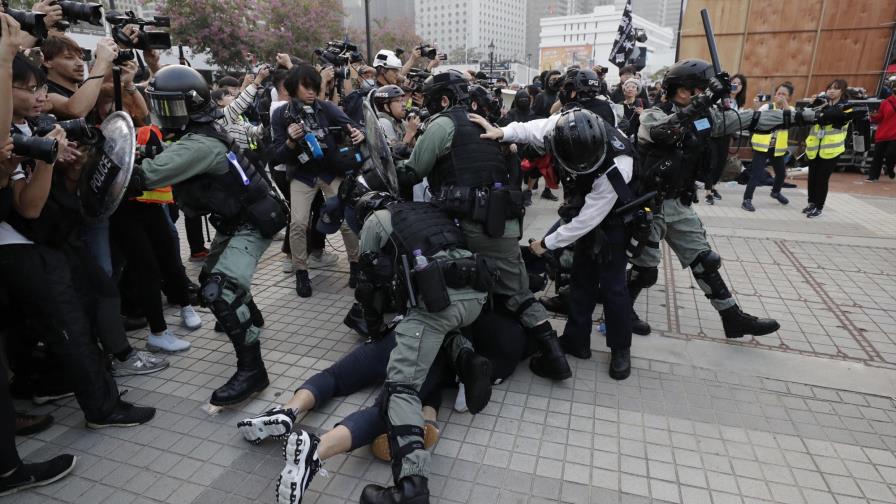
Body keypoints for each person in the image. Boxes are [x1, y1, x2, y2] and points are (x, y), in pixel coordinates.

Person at [126, 64, 287, 407]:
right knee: (210, 280)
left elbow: (144, 177)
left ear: (191, 105)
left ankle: (253, 371)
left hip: (254, 222)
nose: (165, 114)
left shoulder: (200, 143)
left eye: (172, 106)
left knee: (221, 292)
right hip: (241, 217)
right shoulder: (202, 129)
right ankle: (251, 319)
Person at [396, 69, 571, 382]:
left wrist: (397, 156)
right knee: (518, 291)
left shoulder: (442, 124)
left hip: (468, 224)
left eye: (431, 101)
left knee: (456, 286)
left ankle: (463, 355)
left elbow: (414, 170)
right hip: (503, 221)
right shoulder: (483, 122)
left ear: (444, 99)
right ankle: (554, 353)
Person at [630, 58, 821, 339]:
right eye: (701, 89)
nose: (707, 94)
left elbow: (752, 119)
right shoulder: (653, 116)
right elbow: (664, 132)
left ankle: (732, 317)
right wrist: (705, 99)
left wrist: (814, 116)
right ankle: (619, 309)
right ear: (683, 91)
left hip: (679, 204)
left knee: (705, 260)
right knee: (645, 273)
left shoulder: (705, 119)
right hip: (650, 205)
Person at [473, 107, 639, 380]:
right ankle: (576, 341)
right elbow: (530, 128)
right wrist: (502, 132)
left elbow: (588, 220)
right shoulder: (563, 128)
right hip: (585, 205)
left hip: (617, 216)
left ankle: (621, 348)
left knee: (613, 286)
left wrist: (546, 244)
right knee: (581, 278)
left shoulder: (618, 164)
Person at [270, 64, 364, 298]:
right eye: (306, 87)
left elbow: (354, 125)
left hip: (331, 172)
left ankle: (356, 265)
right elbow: (277, 156)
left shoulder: (327, 108)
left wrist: (358, 133)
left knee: (346, 220)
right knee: (299, 223)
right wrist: (291, 142)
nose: (311, 92)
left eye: (315, 87)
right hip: (302, 175)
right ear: (292, 88)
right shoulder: (281, 114)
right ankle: (301, 271)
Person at [742, 81, 795, 211]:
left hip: (777, 148)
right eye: (779, 93)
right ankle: (747, 200)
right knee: (756, 174)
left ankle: (775, 192)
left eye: (784, 94)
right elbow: (754, 119)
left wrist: (785, 105)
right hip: (762, 146)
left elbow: (791, 119)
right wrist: (757, 106)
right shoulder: (767, 107)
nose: (781, 96)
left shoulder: (790, 109)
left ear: (789, 97)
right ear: (775, 95)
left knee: (781, 174)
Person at [804, 79, 851, 218]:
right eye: (829, 88)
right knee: (812, 178)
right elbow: (805, 114)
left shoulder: (846, 106)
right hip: (815, 148)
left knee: (822, 179)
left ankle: (819, 207)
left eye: (835, 88)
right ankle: (811, 203)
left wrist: (820, 111)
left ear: (842, 91)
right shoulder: (821, 104)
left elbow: (833, 116)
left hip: (832, 149)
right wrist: (812, 104)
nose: (831, 91)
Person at [374, 84, 419, 159]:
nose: (404, 104)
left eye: (403, 100)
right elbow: (393, 154)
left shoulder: (399, 121)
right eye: (398, 101)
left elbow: (414, 150)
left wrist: (413, 132)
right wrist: (409, 134)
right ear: (386, 107)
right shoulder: (384, 122)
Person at [866, 86, 896, 181]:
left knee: (890, 154)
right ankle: (873, 176)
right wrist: (873, 116)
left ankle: (890, 168)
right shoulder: (886, 102)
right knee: (878, 156)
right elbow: (880, 117)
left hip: (895, 135)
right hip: (884, 132)